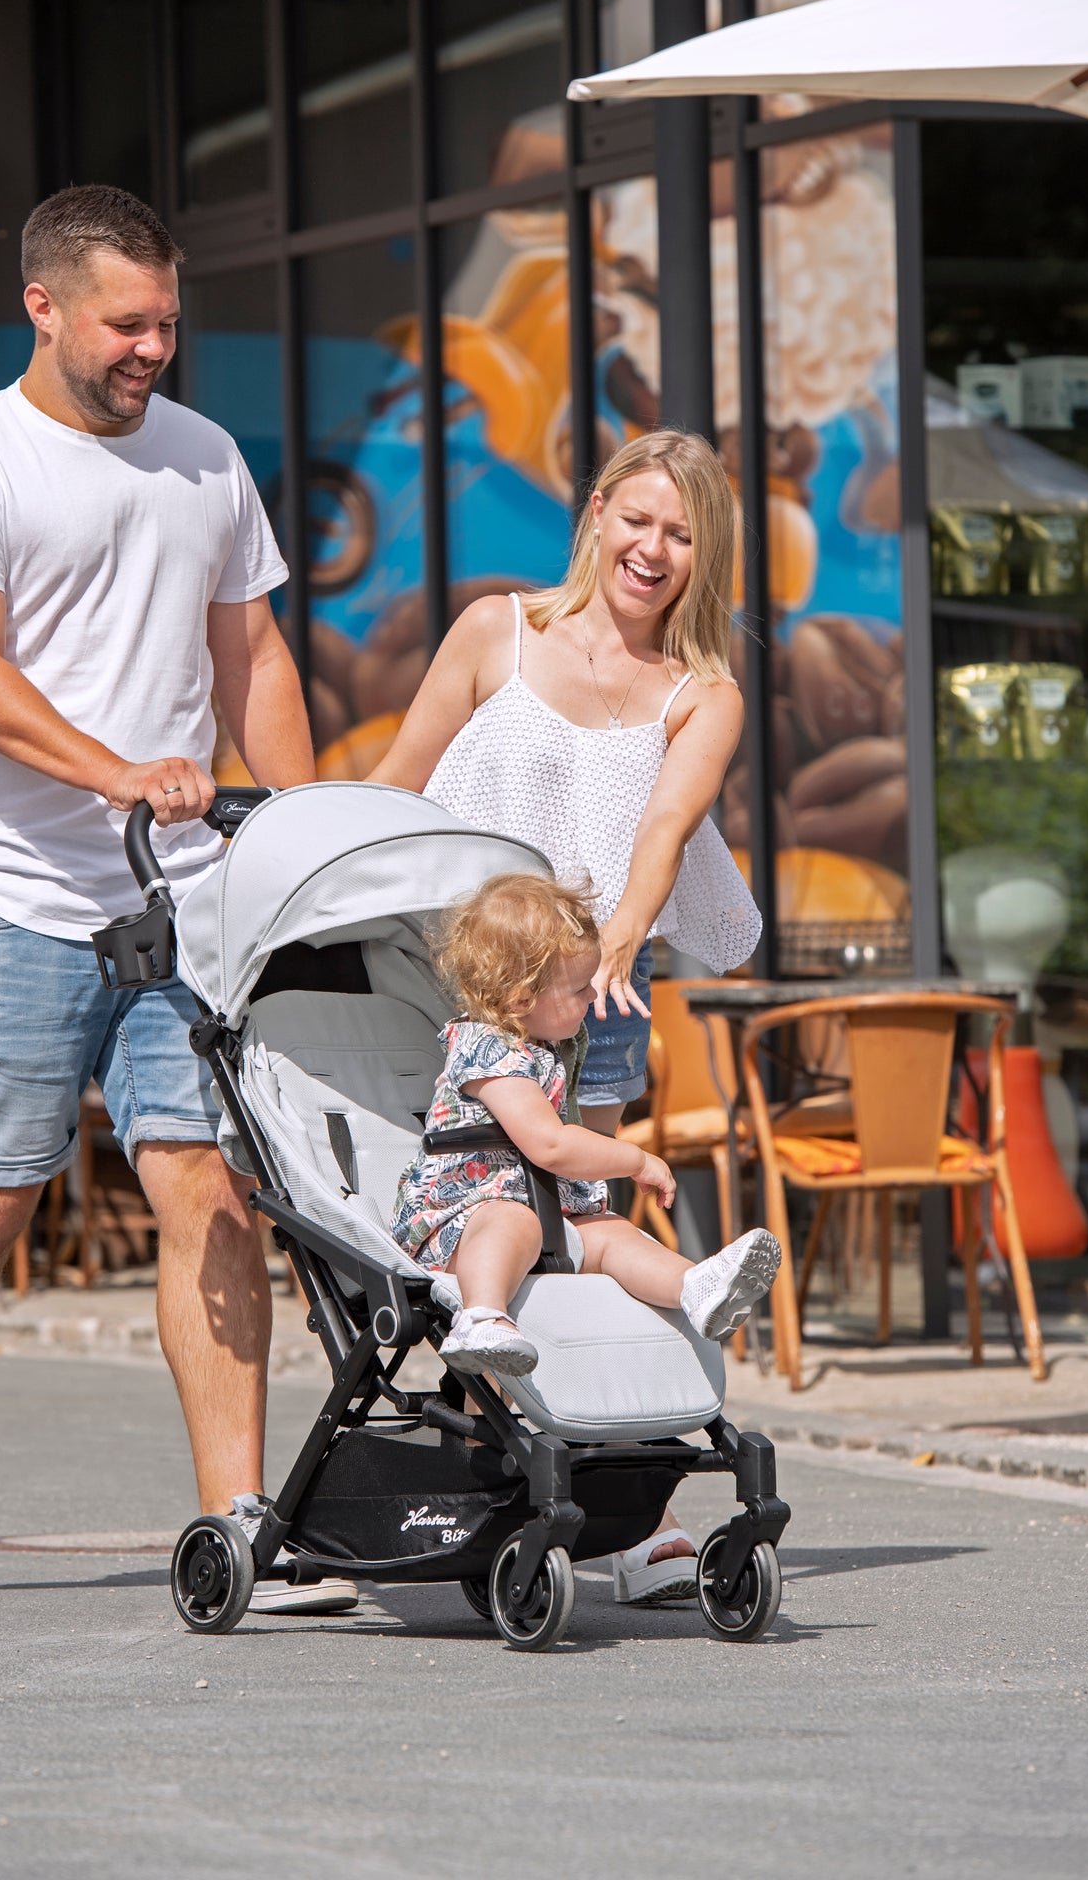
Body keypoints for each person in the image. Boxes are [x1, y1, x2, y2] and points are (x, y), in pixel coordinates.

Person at [0, 183, 354, 1615]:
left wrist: (305, 833)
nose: (153, 349)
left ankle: (240, 1519)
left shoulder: (203, 459)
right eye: (127, 323)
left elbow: (249, 656)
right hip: (10, 895)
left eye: (169, 323)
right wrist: (118, 771)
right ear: (46, 306)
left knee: (209, 1185)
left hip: (182, 903)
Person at [370, 428, 761, 1604]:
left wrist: (622, 942)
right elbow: (395, 785)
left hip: (590, 1001)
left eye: (681, 535)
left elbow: (659, 829)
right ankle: (513, 1476)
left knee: (578, 1239)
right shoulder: (499, 629)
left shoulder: (704, 694)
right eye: (637, 519)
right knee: (453, 1229)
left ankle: (634, 1517)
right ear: (596, 513)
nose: (653, 549)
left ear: (705, 557)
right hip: (443, 993)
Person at [391, 872, 779, 1374]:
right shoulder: (486, 1049)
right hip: (463, 1221)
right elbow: (549, 1145)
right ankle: (482, 1314)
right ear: (521, 999)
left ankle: (695, 1287)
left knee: (613, 1235)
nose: (592, 1002)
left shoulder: (546, 1048)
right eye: (579, 990)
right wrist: (634, 1159)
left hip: (544, 1213)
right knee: (512, 1219)